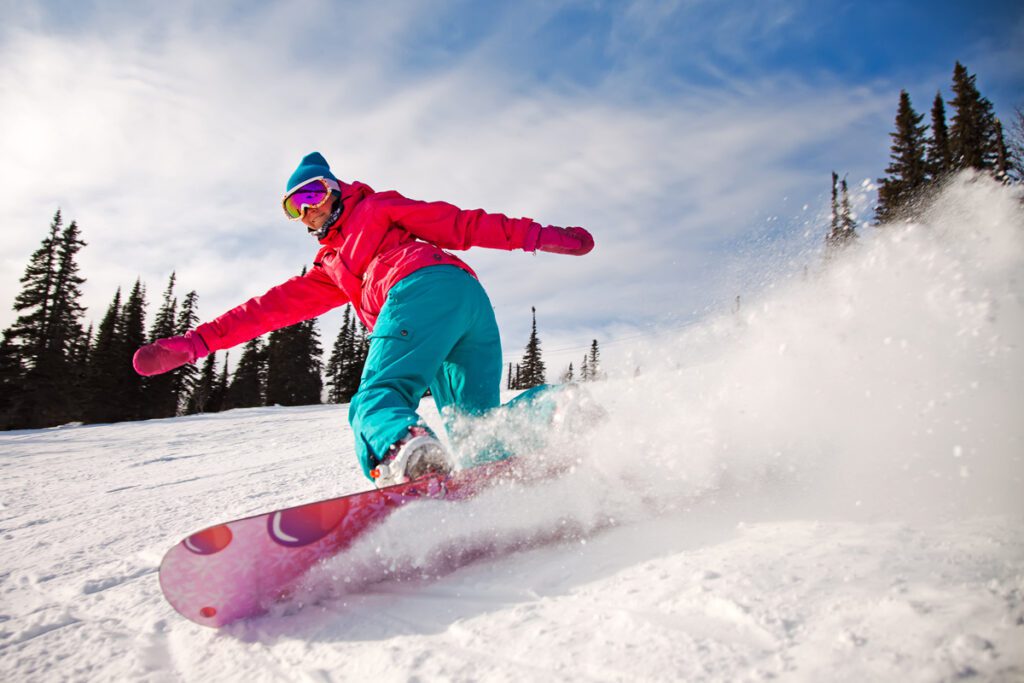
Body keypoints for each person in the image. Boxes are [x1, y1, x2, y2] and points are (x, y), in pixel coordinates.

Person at [134, 152, 594, 487]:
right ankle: (556, 411)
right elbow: (264, 311)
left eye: (312, 194)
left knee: (376, 399)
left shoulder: (375, 208)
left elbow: (463, 224)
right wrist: (197, 343)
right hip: (467, 304)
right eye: (295, 207)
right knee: (476, 433)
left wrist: (539, 236)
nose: (308, 209)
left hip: (420, 287)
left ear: (335, 189)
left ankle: (403, 451)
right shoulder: (330, 268)